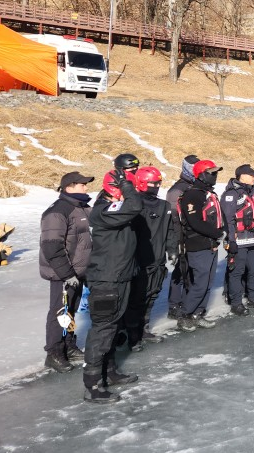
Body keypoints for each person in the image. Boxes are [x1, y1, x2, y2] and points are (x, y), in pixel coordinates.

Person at [82, 163, 143, 404]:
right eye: (128, 188)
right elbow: (134, 205)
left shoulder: (111, 207)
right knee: (102, 331)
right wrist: (126, 185)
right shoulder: (103, 209)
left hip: (120, 277)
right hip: (107, 280)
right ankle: (92, 385)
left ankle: (109, 372)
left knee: (113, 328)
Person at [38, 171, 95, 373]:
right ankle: (53, 353)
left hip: (80, 271)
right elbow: (52, 247)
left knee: (71, 310)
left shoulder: (83, 208)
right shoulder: (57, 212)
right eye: (82, 185)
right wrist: (67, 274)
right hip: (63, 274)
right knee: (59, 312)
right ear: (69, 187)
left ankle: (68, 346)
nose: (86, 188)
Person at [123, 166, 178, 350]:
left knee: (152, 295)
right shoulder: (134, 205)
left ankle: (144, 327)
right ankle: (132, 334)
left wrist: (172, 249)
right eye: (152, 183)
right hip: (138, 260)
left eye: (158, 183)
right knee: (136, 298)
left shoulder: (164, 206)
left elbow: (170, 230)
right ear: (141, 183)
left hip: (158, 258)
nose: (155, 186)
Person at [176, 159, 225, 331]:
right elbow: (195, 222)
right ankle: (185, 315)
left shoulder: (208, 193)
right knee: (200, 282)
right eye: (212, 172)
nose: (215, 175)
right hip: (198, 244)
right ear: (202, 174)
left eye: (216, 172)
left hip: (210, 243)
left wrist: (221, 232)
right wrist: (218, 233)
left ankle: (197, 313)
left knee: (208, 282)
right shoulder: (193, 194)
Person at [220, 164, 254, 316]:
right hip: (238, 240)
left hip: (252, 238)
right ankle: (236, 303)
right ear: (241, 176)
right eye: (251, 175)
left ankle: (253, 297)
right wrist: (231, 240)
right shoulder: (231, 194)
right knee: (237, 272)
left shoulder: (253, 192)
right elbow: (228, 219)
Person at [165, 154, 198, 318]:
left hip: (193, 235)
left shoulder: (195, 186)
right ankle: (174, 304)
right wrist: (177, 240)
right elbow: (172, 219)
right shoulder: (177, 190)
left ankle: (188, 299)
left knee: (191, 269)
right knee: (180, 270)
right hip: (180, 236)